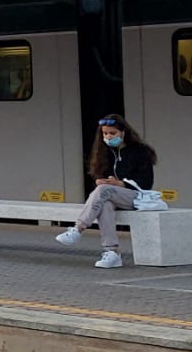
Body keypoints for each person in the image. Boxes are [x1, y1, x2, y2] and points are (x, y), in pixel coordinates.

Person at [56, 113, 156, 269]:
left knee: (104, 190)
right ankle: (112, 252)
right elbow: (99, 175)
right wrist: (100, 180)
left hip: (137, 196)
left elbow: (146, 182)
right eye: (105, 133)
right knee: (105, 205)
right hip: (112, 195)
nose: (108, 137)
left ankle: (78, 229)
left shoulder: (140, 151)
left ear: (123, 132)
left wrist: (120, 184)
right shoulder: (105, 151)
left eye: (112, 133)